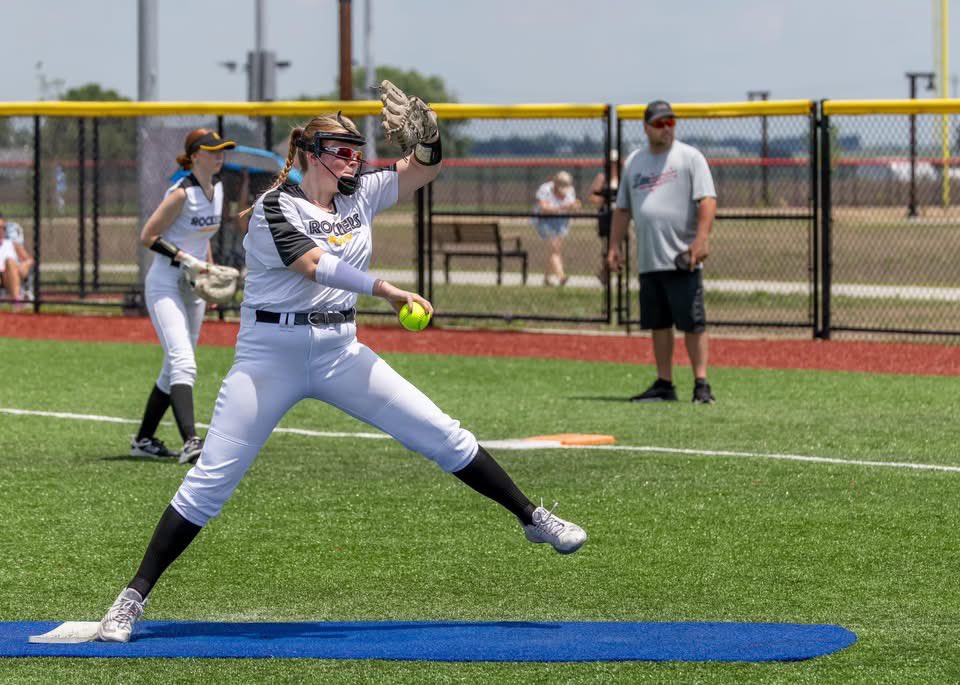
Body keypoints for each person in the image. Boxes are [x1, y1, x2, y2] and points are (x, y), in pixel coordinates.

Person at [97, 106, 587, 643]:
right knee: (210, 483)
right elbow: (312, 264)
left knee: (443, 433)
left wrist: (430, 139)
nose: (354, 160)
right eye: (342, 151)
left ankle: (531, 517)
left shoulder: (360, 190)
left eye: (358, 151)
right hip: (270, 356)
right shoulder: (273, 206)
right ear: (311, 154)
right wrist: (388, 289)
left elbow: (424, 169)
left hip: (340, 349)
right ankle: (131, 598)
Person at [131, 129, 237, 462]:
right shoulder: (181, 193)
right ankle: (191, 441)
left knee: (173, 367)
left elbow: (201, 235)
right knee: (183, 362)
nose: (219, 155)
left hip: (194, 286)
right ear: (194, 157)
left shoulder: (217, 189)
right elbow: (148, 236)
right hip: (165, 283)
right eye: (211, 151)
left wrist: (209, 269)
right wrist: (186, 260)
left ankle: (144, 440)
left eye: (222, 150)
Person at [606, 100, 718, 404]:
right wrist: (613, 246)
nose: (666, 128)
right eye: (659, 123)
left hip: (682, 256)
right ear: (646, 128)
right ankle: (664, 383)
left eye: (670, 122)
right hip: (649, 258)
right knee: (658, 323)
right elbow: (623, 208)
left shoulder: (689, 157)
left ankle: (701, 384)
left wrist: (701, 240)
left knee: (692, 323)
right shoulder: (636, 162)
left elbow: (707, 201)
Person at [533, 171, 581, 286]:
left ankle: (546, 279)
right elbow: (543, 208)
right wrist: (563, 207)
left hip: (562, 222)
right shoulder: (545, 189)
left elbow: (575, 204)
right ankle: (561, 276)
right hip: (545, 221)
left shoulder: (570, 190)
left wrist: (574, 206)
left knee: (554, 251)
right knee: (554, 249)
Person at [589, 150, 620, 283]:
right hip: (606, 216)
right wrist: (603, 200)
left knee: (621, 245)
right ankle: (605, 273)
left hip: (619, 216)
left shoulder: (622, 177)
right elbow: (592, 196)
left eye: (615, 162)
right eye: (611, 162)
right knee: (606, 246)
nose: (613, 164)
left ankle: (619, 274)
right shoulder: (602, 177)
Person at [0, 224, 34, 305]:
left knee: (10, 262)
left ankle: (16, 299)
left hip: (13, 272)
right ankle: (17, 300)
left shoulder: (11, 244)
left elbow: (29, 259)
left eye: (3, 228)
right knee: (9, 262)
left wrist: (24, 265)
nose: (1, 230)